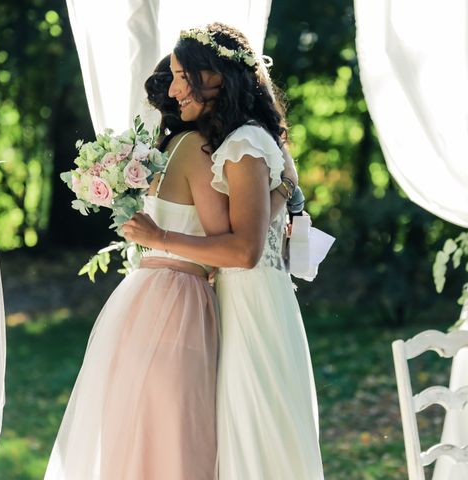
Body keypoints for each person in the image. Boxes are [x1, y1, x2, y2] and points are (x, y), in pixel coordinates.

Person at [123, 22, 324, 479]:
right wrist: (287, 186)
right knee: (254, 432)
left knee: (256, 434)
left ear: (214, 74)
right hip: (253, 300)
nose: (173, 90)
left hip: (251, 305)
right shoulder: (246, 139)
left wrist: (161, 239)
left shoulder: (242, 144)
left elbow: (244, 249)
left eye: (180, 75)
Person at [44, 56, 230, 480]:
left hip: (145, 296)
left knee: (140, 432)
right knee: (178, 436)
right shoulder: (197, 151)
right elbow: (224, 243)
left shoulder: (163, 153)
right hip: (178, 302)